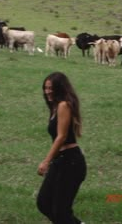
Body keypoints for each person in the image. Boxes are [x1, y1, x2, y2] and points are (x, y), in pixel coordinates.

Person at [37, 71, 87, 224]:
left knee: (61, 212)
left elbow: (61, 137)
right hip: (60, 161)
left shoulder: (64, 105)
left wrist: (46, 161)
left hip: (71, 162)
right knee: (44, 203)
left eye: (51, 88)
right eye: (45, 88)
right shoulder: (55, 107)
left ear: (60, 88)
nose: (47, 92)